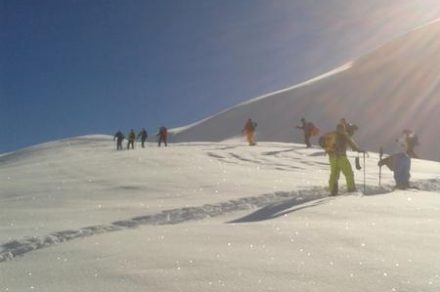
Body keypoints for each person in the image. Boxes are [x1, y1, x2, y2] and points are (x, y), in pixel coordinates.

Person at [327, 123, 365, 196]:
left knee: (334, 174)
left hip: (332, 157)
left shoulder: (332, 135)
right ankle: (351, 189)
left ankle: (333, 190)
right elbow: (352, 145)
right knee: (349, 173)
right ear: (343, 129)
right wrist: (359, 150)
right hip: (341, 157)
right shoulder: (344, 135)